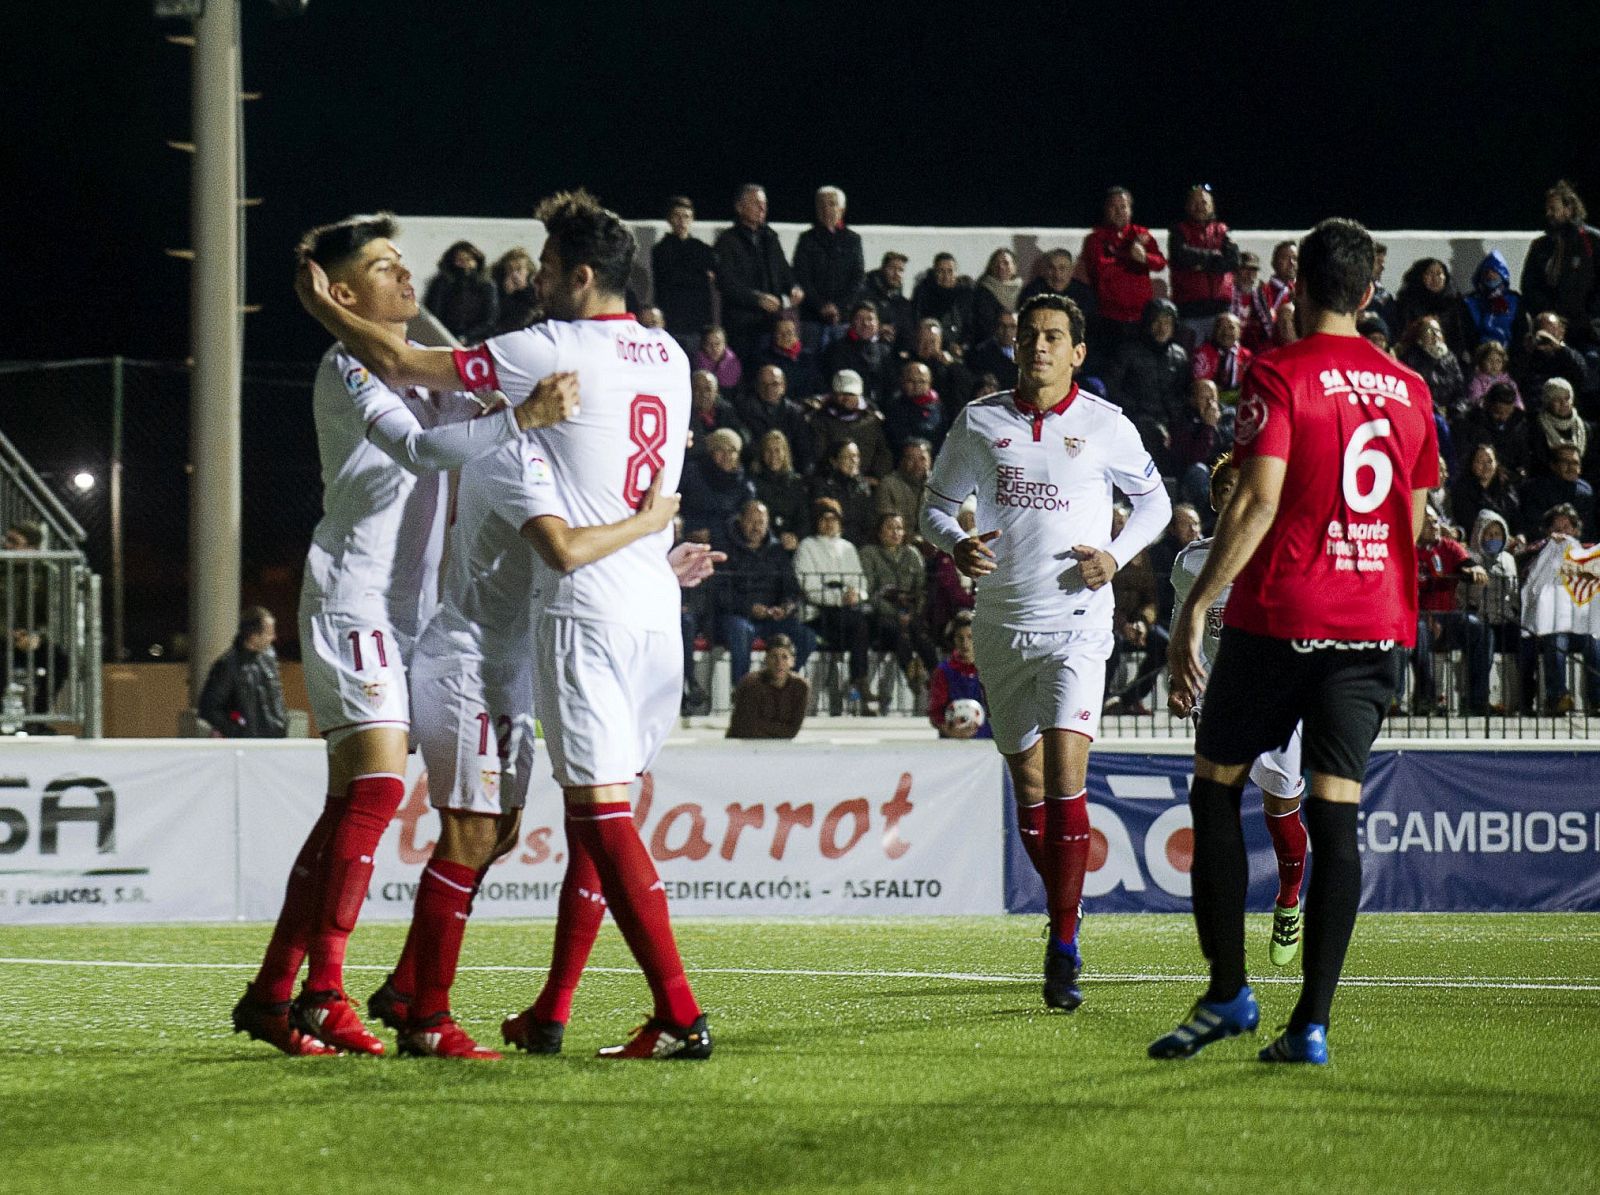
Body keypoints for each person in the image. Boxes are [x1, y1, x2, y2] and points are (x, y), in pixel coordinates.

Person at [300, 190, 713, 1060]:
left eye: (550, 271)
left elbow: (412, 364)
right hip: (618, 616)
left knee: (558, 824)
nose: (535, 286)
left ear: (583, 277)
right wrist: (648, 534)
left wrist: (321, 307)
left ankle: (429, 990)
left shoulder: (544, 362)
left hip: (579, 620)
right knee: (541, 822)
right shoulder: (669, 357)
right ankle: (447, 1005)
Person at [235, 212, 579, 1057]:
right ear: (343, 294)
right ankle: (324, 990)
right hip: (352, 598)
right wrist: (524, 419)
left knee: (355, 809)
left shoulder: (423, 363)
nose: (403, 275)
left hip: (414, 617)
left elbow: (474, 404)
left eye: (401, 261)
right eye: (383, 266)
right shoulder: (346, 361)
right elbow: (422, 450)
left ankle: (277, 992)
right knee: (381, 794)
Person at [1154, 217, 1438, 1066]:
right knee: (1335, 809)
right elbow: (1411, 522)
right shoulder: (1411, 389)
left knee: (1215, 788)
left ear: (1300, 288)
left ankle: (1230, 993)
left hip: (1282, 616)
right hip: (1374, 623)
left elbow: (1255, 500)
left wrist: (1198, 605)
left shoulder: (1279, 371)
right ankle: (1310, 1023)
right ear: (1368, 290)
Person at [367, 411, 705, 1060]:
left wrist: (654, 562)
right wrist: (647, 522)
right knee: (470, 832)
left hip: (511, 667)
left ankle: (409, 986)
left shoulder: (553, 462)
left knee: (498, 833)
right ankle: (426, 1016)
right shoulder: (511, 454)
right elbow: (564, 549)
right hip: (468, 664)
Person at [921, 292, 1171, 1013]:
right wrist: (956, 541)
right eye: (1029, 335)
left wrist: (1117, 557)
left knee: (1065, 775)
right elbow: (933, 505)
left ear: (1077, 352)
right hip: (1000, 627)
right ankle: (1069, 908)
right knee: (1029, 786)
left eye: (1054, 337)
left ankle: (1063, 942)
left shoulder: (1105, 425)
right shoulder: (980, 421)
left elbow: (1152, 503)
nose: (1039, 347)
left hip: (1078, 625)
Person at [1169, 455, 1310, 970]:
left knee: (1281, 810)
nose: (1233, 494)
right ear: (1215, 498)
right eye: (1225, 487)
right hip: (1217, 699)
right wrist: (1177, 681)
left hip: (1276, 698)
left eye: (1242, 486)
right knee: (1214, 812)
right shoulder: (1191, 562)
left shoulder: (1284, 552)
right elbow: (1183, 625)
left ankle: (1289, 898)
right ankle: (1224, 936)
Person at [713, 499, 815, 685]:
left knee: (806, 636)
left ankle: (780, 683)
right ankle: (742, 690)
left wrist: (785, 607)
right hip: (738, 616)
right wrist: (749, 608)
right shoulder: (725, 550)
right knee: (741, 630)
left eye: (761, 522)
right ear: (741, 521)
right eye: (751, 521)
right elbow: (720, 593)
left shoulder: (777, 551)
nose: (756, 527)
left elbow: (792, 589)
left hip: (771, 619)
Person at [794, 498, 874, 711]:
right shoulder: (807, 547)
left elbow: (861, 583)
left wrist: (856, 595)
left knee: (862, 624)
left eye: (834, 519)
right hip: (818, 615)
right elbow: (810, 587)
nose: (830, 523)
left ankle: (858, 681)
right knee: (857, 625)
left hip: (847, 613)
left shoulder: (848, 548)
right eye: (825, 519)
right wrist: (840, 597)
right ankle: (859, 680)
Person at [1411, 507, 1490, 715]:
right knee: (1418, 630)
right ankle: (1426, 698)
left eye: (1436, 521)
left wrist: (1475, 569)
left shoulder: (1449, 547)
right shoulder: (1409, 549)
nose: (1434, 526)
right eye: (1427, 522)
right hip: (1418, 617)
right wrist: (1426, 617)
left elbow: (1469, 563)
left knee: (1478, 628)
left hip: (1449, 618)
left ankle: (1476, 700)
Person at [715, 184, 803, 368]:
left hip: (772, 324)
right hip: (743, 326)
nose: (762, 208)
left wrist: (794, 287)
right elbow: (726, 282)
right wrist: (757, 299)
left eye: (764, 204)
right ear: (740, 207)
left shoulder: (770, 237)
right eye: (756, 203)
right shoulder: (727, 241)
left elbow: (785, 271)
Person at [1076, 187, 1166, 365]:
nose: (1119, 211)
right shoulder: (1096, 239)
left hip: (1141, 318)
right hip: (1110, 319)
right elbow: (1101, 270)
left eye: (1123, 206)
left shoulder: (1140, 234)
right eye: (1113, 207)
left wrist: (1145, 258)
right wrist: (1129, 255)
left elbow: (1160, 263)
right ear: (1106, 210)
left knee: (1139, 365)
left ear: (1130, 209)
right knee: (1112, 366)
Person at [860, 511, 939, 701]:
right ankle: (914, 677)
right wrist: (896, 613)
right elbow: (868, 593)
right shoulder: (869, 554)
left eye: (899, 528)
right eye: (890, 528)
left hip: (910, 615)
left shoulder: (912, 554)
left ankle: (938, 680)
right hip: (881, 617)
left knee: (923, 639)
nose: (895, 532)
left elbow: (921, 591)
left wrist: (911, 612)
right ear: (879, 532)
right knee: (899, 634)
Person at [1520, 180, 1600, 352]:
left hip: (1587, 331)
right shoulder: (1540, 246)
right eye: (1547, 209)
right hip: (1549, 328)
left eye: (1553, 209)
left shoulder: (1591, 241)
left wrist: (1587, 317)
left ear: (1568, 209)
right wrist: (1549, 314)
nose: (1548, 214)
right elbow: (1529, 285)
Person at [1168, 184, 1242, 349]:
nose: (1200, 206)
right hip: (1189, 312)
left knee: (1223, 360)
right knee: (1190, 361)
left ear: (1212, 206)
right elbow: (1181, 257)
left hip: (1221, 311)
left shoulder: (1223, 231)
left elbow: (1233, 260)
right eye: (1195, 202)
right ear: (1187, 206)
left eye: (1204, 202)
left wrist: (1199, 263)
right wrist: (1214, 257)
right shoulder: (1178, 231)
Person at [198, 606, 288, 739]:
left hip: (274, 741)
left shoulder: (269, 658)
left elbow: (277, 698)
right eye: (269, 633)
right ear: (253, 635)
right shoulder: (228, 665)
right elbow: (209, 707)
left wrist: (282, 723)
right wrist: (236, 731)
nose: (274, 637)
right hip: (244, 745)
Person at [792, 186, 864, 347]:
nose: (826, 209)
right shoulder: (807, 239)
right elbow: (801, 276)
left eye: (831, 204)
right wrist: (821, 306)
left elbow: (857, 278)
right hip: (811, 319)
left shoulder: (853, 240)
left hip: (842, 320)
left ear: (842, 209)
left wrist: (838, 307)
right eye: (821, 205)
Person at [650, 196, 716, 351]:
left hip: (698, 321)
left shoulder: (702, 249)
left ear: (692, 219)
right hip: (672, 319)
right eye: (677, 216)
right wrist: (700, 276)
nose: (681, 221)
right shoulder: (661, 250)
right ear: (670, 219)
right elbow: (670, 279)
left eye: (686, 216)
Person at [809, 368, 894, 481]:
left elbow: (883, 452)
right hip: (832, 481)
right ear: (834, 394)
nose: (846, 398)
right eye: (842, 393)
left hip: (868, 483)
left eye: (851, 394)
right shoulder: (821, 419)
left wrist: (876, 477)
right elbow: (819, 454)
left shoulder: (872, 420)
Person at [679, 428, 755, 544]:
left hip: (726, 542)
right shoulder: (692, 471)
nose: (727, 455)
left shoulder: (745, 486)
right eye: (720, 449)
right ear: (711, 451)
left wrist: (714, 534)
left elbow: (741, 520)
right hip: (686, 536)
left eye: (732, 450)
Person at [726, 633, 809, 739]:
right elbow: (746, 728)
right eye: (774, 656)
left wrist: (762, 726)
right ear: (766, 659)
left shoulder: (800, 687)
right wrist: (782, 729)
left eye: (784, 657)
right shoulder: (751, 684)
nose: (779, 663)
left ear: (792, 661)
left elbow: (792, 731)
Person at [738, 364, 815, 475]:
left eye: (775, 384)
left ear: (783, 387)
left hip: (789, 472)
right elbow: (746, 446)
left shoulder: (795, 413)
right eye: (764, 384)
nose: (769, 389)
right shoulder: (744, 410)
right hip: (757, 471)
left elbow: (804, 450)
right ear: (757, 386)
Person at [928, 611, 991, 739]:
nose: (965, 643)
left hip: (987, 742)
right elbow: (936, 712)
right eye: (960, 638)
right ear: (954, 639)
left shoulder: (988, 669)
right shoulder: (944, 671)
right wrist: (950, 732)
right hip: (952, 743)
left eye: (970, 637)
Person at [423, 240, 498, 343]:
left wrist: (467, 337)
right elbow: (434, 313)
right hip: (443, 337)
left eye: (468, 259)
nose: (465, 264)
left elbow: (489, 320)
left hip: (474, 340)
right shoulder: (441, 283)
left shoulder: (486, 286)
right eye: (460, 260)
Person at [1517, 443, 1597, 540]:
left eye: (1575, 463)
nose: (1571, 467)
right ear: (1553, 465)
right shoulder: (1537, 489)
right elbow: (1533, 527)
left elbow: (1589, 528)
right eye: (1565, 462)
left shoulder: (1586, 491)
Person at [1394, 257, 1468, 358]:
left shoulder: (1455, 303)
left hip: (1450, 360)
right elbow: (1400, 335)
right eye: (1429, 273)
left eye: (1439, 273)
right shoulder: (1407, 302)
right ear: (1420, 276)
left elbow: (1463, 338)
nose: (1435, 278)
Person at [821, 303, 896, 402]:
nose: (865, 323)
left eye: (870, 319)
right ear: (851, 323)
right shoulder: (837, 349)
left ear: (878, 324)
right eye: (859, 318)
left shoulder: (884, 351)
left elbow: (890, 386)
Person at [750, 429, 810, 551]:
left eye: (777, 450)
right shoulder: (753, 482)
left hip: (791, 544)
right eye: (768, 451)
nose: (773, 455)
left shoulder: (796, 482)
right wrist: (773, 537)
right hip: (763, 542)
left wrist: (796, 536)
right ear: (762, 453)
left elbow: (803, 518)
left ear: (785, 453)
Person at [810, 440, 876, 546]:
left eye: (856, 456)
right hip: (830, 542)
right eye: (848, 457)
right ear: (834, 461)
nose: (854, 460)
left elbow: (869, 523)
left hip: (860, 545)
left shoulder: (863, 486)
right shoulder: (822, 485)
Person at [912, 252, 978, 348]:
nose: (946, 276)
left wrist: (963, 346)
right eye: (941, 271)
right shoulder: (924, 294)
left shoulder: (966, 294)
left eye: (950, 271)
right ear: (935, 273)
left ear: (956, 273)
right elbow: (921, 325)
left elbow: (972, 325)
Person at [1460, 250, 1523, 352]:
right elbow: (1466, 335)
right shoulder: (1469, 301)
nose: (1490, 275)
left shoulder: (1515, 300)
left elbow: (1520, 334)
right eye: (1486, 272)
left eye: (1495, 271)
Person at [883, 361, 946, 457]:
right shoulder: (894, 407)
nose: (917, 386)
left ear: (930, 382)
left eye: (922, 381)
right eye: (911, 381)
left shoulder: (940, 407)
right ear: (902, 381)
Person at [855, 250, 914, 351]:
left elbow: (907, 332)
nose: (896, 274)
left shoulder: (903, 304)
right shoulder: (864, 296)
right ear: (882, 269)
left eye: (901, 270)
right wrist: (876, 331)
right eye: (892, 268)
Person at [1243, 240, 1297, 351]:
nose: (1291, 263)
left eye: (1295, 259)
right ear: (1274, 262)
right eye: (1286, 258)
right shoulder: (1259, 292)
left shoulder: (1303, 293)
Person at [875, 439, 932, 542]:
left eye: (922, 459)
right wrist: (917, 540)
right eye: (911, 459)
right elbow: (887, 525)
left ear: (930, 461)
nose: (917, 464)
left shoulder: (939, 485)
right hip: (900, 543)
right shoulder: (888, 484)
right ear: (902, 461)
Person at [1190, 313, 1252, 395]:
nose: (1226, 332)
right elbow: (1200, 387)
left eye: (1231, 327)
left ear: (1239, 331)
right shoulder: (1203, 353)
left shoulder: (1246, 355)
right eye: (1221, 327)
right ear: (1214, 331)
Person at [972, 248, 1022, 343]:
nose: (1001, 267)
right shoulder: (982, 292)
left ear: (1014, 268)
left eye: (1006, 263)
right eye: (997, 263)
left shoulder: (1023, 291)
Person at [967, 309, 1020, 391]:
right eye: (1003, 326)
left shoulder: (1027, 352)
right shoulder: (982, 352)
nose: (1007, 331)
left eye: (1013, 327)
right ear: (996, 328)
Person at [691, 325, 743, 394]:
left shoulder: (733, 363)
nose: (714, 348)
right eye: (709, 344)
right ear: (703, 345)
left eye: (717, 344)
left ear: (724, 345)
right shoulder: (696, 364)